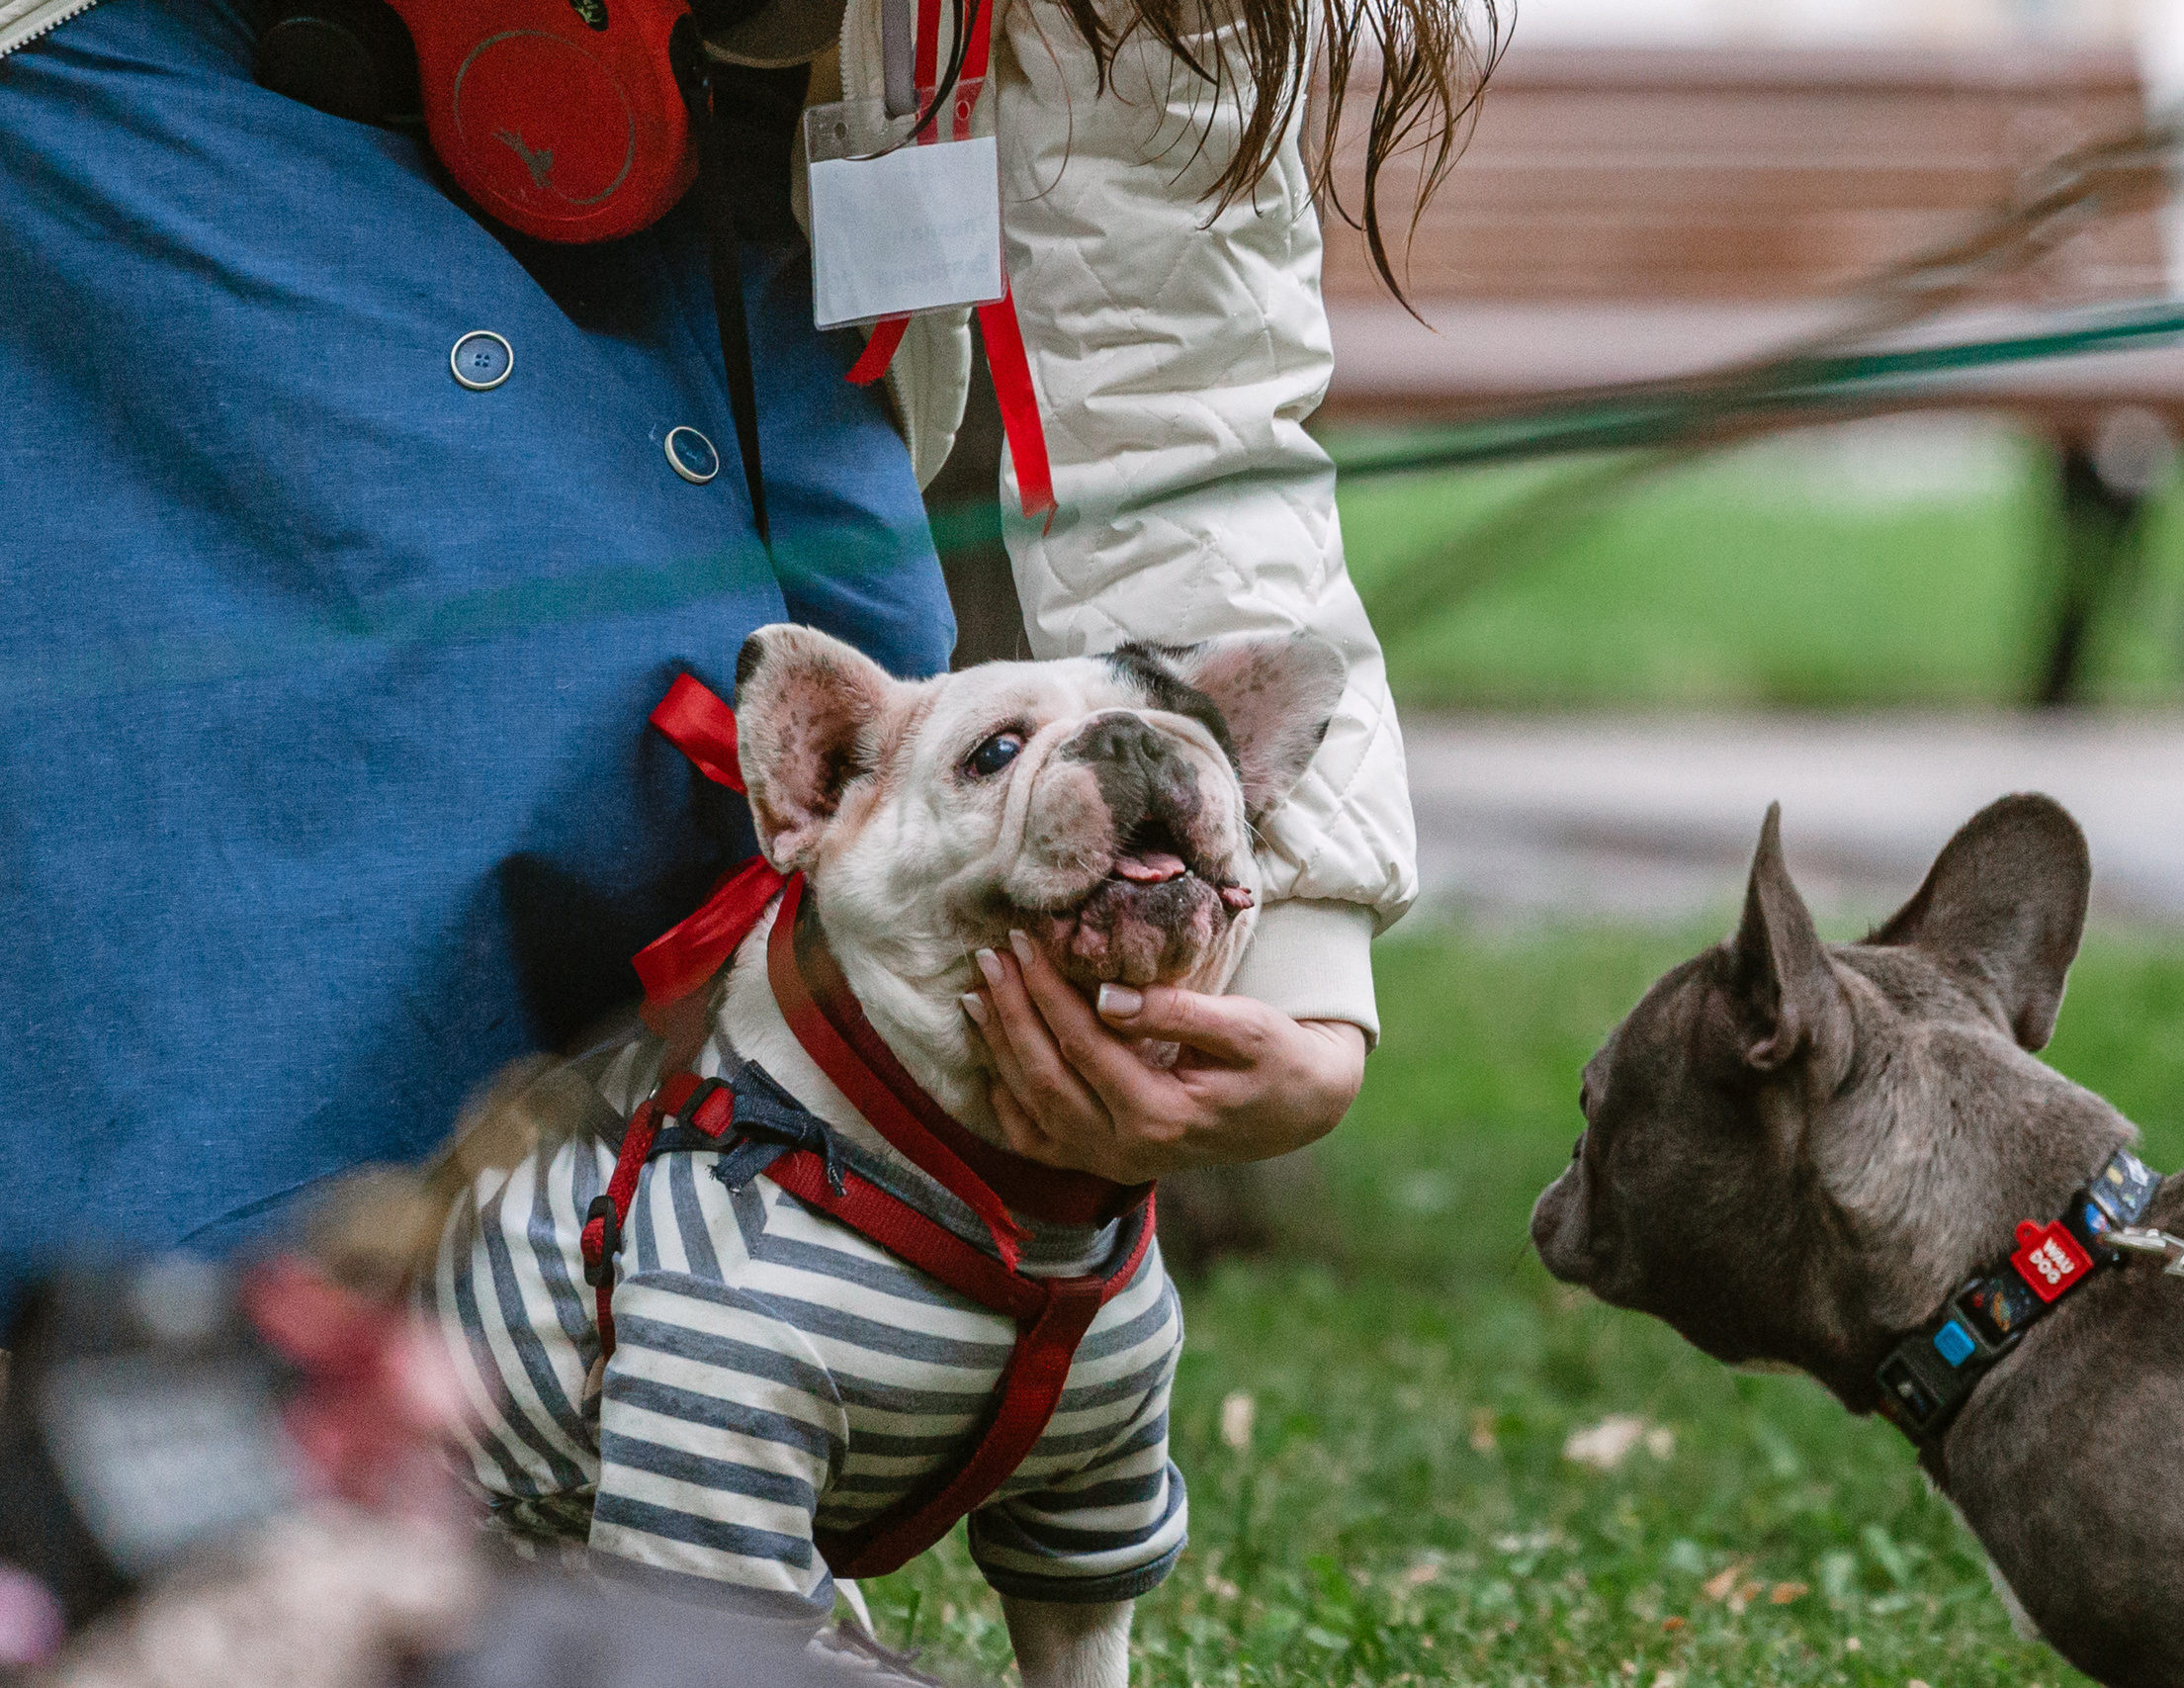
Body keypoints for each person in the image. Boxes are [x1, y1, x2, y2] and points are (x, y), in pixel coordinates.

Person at [0, 0, 1481, 1295]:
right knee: (563, 671)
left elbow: (1169, 357)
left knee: (860, 724)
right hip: (140, 56)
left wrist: (1292, 980)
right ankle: (195, 1397)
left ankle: (634, 1407)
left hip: (704, 135)